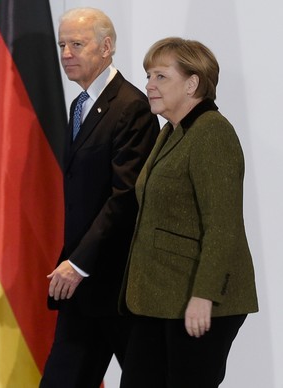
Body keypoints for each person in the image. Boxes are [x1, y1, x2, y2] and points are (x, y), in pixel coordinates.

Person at [119, 37, 259, 388]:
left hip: (196, 301)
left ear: (193, 83)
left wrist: (203, 296)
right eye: (148, 75)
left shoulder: (212, 132)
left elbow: (223, 225)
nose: (149, 85)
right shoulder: (172, 131)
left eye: (161, 76)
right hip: (160, 298)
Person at [40, 8, 159, 388]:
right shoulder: (80, 104)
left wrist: (77, 264)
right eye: (62, 45)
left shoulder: (131, 107)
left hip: (120, 287)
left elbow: (124, 198)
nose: (66, 54)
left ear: (106, 47)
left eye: (77, 44)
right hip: (85, 289)